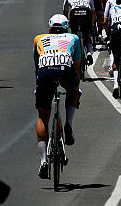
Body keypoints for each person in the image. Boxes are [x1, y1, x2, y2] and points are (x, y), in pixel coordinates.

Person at [33, 14, 83, 180]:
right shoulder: (73, 38)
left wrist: (38, 87)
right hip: (65, 68)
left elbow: (37, 66)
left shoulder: (39, 39)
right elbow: (77, 68)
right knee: (73, 90)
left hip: (45, 71)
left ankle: (43, 161)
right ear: (66, 27)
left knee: (42, 116)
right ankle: (68, 124)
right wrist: (76, 88)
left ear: (49, 28)